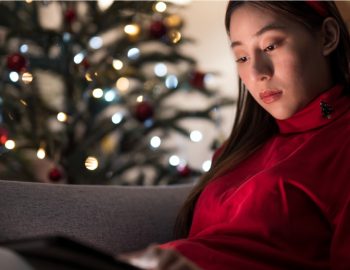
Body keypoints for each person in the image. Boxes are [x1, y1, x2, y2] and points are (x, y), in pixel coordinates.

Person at [121, 1, 350, 269]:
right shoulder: (240, 148)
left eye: (270, 46)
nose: (256, 73)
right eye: (242, 57)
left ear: (328, 36)